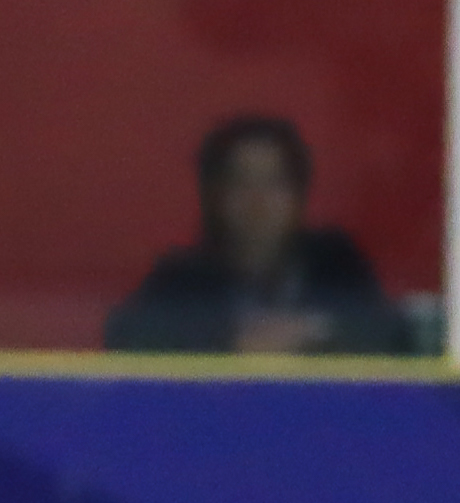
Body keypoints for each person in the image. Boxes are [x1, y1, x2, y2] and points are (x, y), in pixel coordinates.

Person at [104, 114, 414, 356]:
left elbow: (392, 336)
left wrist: (312, 335)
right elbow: (129, 339)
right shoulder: (181, 278)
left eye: (274, 183)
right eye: (241, 182)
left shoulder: (336, 264)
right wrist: (230, 342)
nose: (258, 201)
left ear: (299, 196)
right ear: (214, 197)